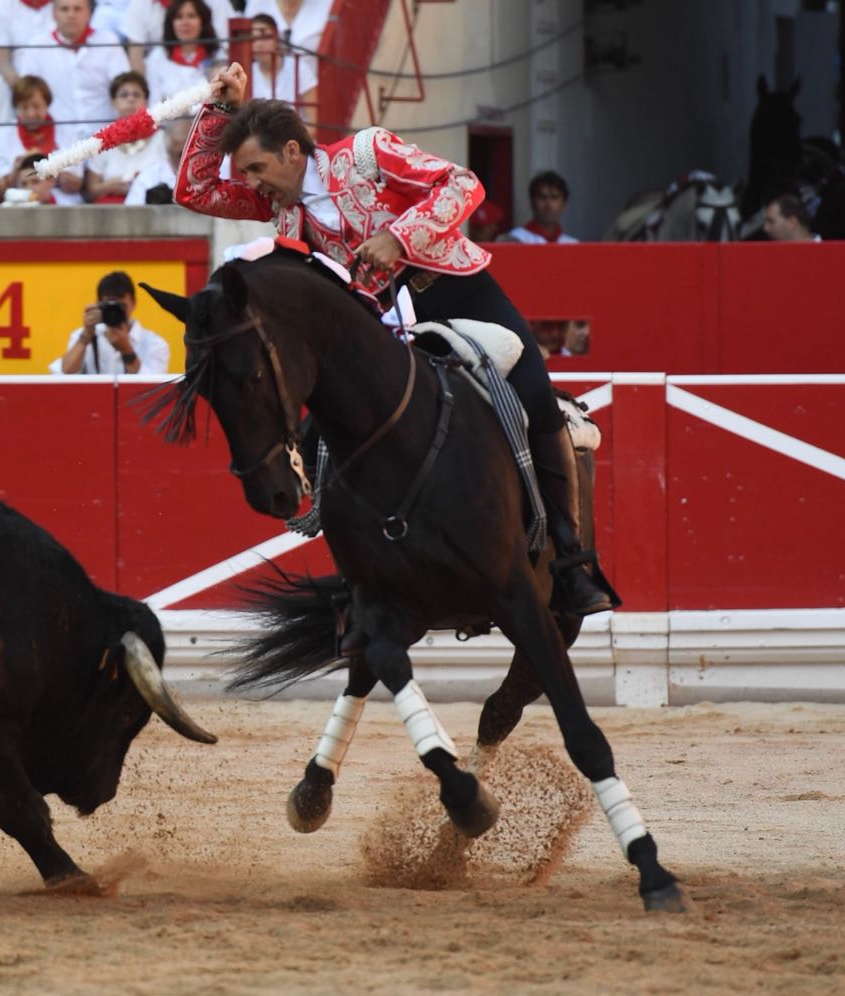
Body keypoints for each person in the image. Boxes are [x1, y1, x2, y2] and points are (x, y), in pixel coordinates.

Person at [175, 64, 613, 616]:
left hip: (454, 290)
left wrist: (397, 237)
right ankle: (376, 575)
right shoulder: (278, 206)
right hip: (379, 323)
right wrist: (220, 111)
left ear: (291, 152)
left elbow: (463, 184)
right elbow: (193, 189)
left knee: (536, 403)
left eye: (257, 167)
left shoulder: (366, 154)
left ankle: (572, 564)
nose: (252, 182)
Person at [13, 0, 131, 144]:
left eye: (77, 9)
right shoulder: (37, 46)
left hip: (106, 138)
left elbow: (125, 88)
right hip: (56, 143)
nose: (71, 15)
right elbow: (25, 95)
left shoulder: (108, 41)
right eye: (64, 9)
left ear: (89, 13)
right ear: (54, 13)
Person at [50, 269, 169, 375]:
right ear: (98, 304)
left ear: (133, 303)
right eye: (109, 305)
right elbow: (64, 375)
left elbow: (153, 388)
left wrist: (127, 352)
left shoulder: (154, 343)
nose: (115, 311)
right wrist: (85, 337)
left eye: (121, 305)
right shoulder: (82, 336)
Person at [0, 75, 84, 203]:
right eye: (24, 107)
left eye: (36, 106)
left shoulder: (67, 132)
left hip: (61, 201)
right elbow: (1, 192)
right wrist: (17, 169)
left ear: (47, 104)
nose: (31, 114)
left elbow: (77, 185)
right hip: (19, 200)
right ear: (16, 107)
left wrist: (54, 168)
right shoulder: (4, 136)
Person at [83, 72, 166, 203]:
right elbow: (90, 191)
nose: (131, 99)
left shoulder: (162, 138)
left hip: (151, 208)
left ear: (146, 101)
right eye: (124, 95)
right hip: (110, 211)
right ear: (114, 102)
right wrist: (109, 186)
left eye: (136, 95)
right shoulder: (102, 139)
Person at [142, 0, 215, 107]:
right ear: (171, 24)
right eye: (179, 17)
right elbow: (154, 104)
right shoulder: (157, 57)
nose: (185, 22)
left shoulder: (217, 56)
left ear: (203, 22)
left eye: (191, 16)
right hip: (167, 122)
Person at [248, 14, 316, 113]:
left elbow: (313, 120)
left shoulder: (299, 67)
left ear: (277, 37)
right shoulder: (247, 73)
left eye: (265, 37)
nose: (259, 44)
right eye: (253, 39)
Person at [502, 170, 579, 244]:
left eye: (554, 197)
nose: (548, 204)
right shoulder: (515, 239)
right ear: (532, 202)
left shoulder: (573, 244)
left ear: (563, 204)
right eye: (542, 197)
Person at [125, 119, 185, 204]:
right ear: (168, 152)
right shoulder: (148, 179)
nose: (185, 160)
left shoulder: (209, 174)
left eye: (191, 153)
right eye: (180, 155)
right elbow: (132, 215)